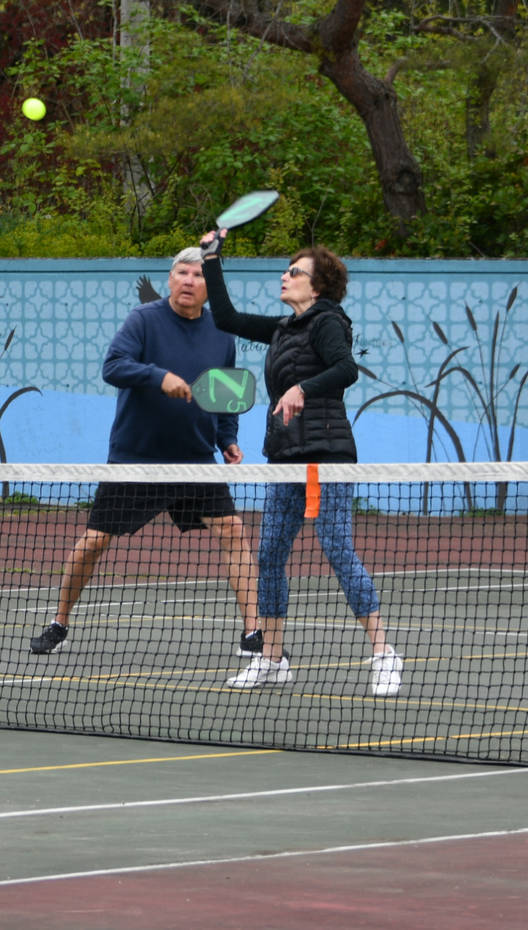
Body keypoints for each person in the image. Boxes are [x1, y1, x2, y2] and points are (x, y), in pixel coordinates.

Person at [30, 247, 259, 657]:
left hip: (195, 461)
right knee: (96, 541)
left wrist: (227, 439)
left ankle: (253, 634)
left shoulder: (222, 332)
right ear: (170, 279)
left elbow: (225, 394)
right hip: (136, 458)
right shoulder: (143, 320)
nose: (188, 280)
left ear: (211, 288)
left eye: (198, 275)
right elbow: (113, 366)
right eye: (181, 272)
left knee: (233, 531)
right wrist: (158, 377)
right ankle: (59, 621)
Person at [200, 234, 400, 695]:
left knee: (335, 546)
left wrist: (302, 389)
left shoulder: (328, 321)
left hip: (326, 454)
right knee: (269, 554)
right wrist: (212, 258)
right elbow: (226, 317)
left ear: (318, 286)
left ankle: (384, 654)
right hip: (285, 455)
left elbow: (346, 369)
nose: (285, 276)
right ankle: (272, 659)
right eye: (286, 270)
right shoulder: (281, 329)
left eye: (295, 272)